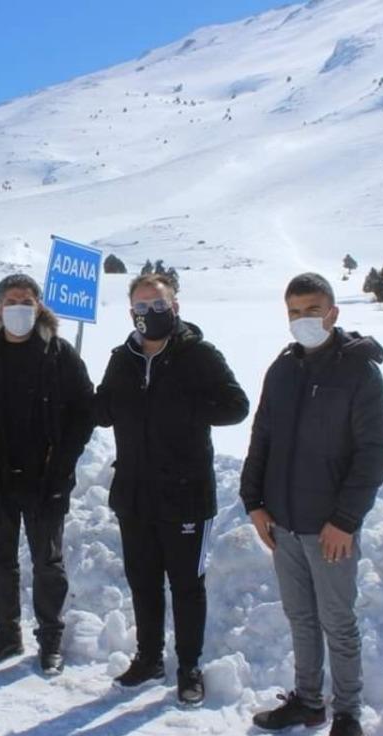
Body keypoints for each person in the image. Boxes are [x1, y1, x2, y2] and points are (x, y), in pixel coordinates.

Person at [241, 272, 383, 736]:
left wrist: (345, 519)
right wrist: (254, 502)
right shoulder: (282, 370)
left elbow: (375, 452)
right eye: (294, 312)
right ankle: (307, 702)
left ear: (333, 312)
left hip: (331, 528)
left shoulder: (359, 372)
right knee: (300, 617)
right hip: (283, 522)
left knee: (338, 621)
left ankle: (348, 715)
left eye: (312, 310)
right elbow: (261, 438)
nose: (303, 320)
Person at [95, 273, 249, 705]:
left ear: (175, 308)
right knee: (143, 581)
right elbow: (103, 407)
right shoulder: (121, 358)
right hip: (134, 492)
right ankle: (148, 658)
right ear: (131, 313)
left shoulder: (198, 355)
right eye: (141, 309)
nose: (150, 315)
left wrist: (186, 405)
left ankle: (189, 667)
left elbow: (236, 406)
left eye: (158, 306)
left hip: (186, 494)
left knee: (186, 585)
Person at [0, 273, 95, 675]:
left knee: (48, 562)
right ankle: (7, 634)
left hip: (45, 478)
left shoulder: (59, 354)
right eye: (11, 301)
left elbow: (85, 409)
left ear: (39, 307)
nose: (18, 309)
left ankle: (50, 640)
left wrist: (63, 460)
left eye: (26, 302)